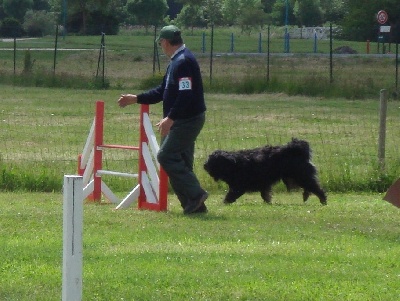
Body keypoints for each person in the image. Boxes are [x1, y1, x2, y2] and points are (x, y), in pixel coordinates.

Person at [118, 25, 208, 214]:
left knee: (166, 156)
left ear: (166, 42)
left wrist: (170, 118)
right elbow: (162, 92)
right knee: (181, 162)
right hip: (182, 118)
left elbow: (186, 94)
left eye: (161, 43)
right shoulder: (176, 61)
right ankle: (194, 206)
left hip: (188, 119)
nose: (161, 47)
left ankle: (197, 194)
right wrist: (136, 98)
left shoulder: (183, 62)